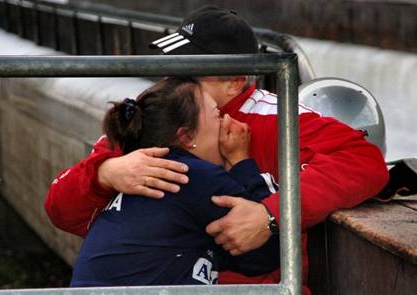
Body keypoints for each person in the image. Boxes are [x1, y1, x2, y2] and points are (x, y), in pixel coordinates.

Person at [45, 5, 389, 294]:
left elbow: (365, 161)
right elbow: (61, 211)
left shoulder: (279, 117)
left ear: (236, 81)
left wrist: (271, 214)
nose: (171, 80)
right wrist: (105, 174)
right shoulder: (156, 113)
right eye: (169, 66)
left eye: (187, 72)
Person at [70, 77, 280, 286]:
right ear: (187, 137)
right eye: (217, 114)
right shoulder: (190, 175)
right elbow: (272, 251)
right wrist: (241, 162)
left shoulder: (138, 173)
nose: (228, 121)